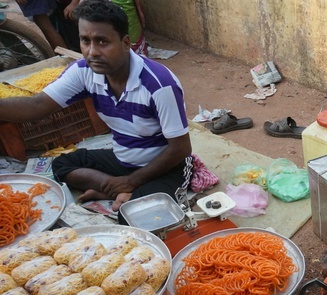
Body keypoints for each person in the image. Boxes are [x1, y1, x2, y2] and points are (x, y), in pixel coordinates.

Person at [0, 0, 192, 217]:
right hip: (123, 160)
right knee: (62, 165)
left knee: (134, 219)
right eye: (85, 41)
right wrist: (119, 182)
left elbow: (181, 149)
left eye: (102, 41)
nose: (92, 52)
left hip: (164, 166)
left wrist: (131, 181)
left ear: (125, 42)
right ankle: (115, 189)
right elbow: (37, 106)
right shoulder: (84, 71)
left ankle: (128, 192)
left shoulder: (159, 84)